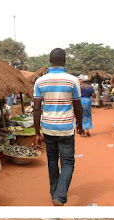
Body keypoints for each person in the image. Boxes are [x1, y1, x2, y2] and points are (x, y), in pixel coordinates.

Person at [33, 48, 83, 206]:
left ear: (50, 60)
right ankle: (59, 196)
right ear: (65, 60)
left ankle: (54, 191)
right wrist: (80, 125)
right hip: (66, 129)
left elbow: (36, 109)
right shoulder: (73, 80)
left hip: (47, 128)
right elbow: (78, 107)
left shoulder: (40, 81)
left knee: (52, 161)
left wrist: (36, 132)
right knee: (68, 162)